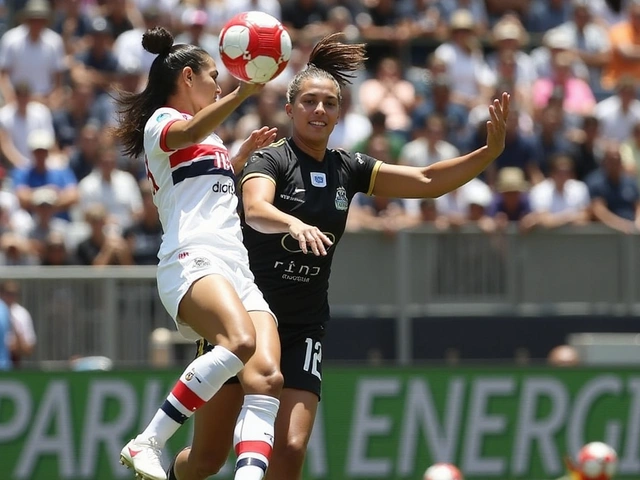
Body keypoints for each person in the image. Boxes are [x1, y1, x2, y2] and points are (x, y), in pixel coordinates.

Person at [170, 33, 510, 480]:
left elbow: (427, 180)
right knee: (207, 460)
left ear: (339, 113)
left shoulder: (347, 168)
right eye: (309, 102)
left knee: (289, 449)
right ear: (290, 110)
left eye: (329, 104)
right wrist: (294, 223)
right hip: (244, 321)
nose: (319, 111)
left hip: (304, 325)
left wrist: (490, 152)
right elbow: (254, 209)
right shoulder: (271, 159)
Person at [113, 26, 281, 480]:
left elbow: (205, 182)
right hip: (192, 256)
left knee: (267, 375)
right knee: (240, 341)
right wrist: (245, 91)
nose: (219, 84)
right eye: (213, 75)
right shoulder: (162, 122)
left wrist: (240, 156)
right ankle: (147, 440)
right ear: (188, 78)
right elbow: (188, 132)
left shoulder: (213, 140)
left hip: (236, 264)